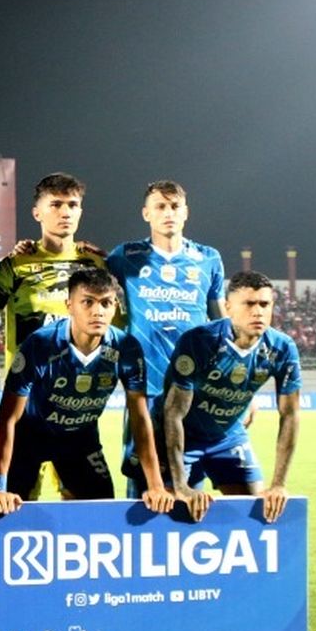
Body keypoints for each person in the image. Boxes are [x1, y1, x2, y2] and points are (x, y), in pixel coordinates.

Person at [0, 268, 173, 514]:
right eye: (87, 302)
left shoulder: (126, 348)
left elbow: (140, 418)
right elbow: (8, 419)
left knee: (102, 511)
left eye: (106, 303)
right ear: (69, 305)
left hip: (80, 439)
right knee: (5, 510)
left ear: (115, 307)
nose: (98, 311)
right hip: (31, 436)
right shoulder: (40, 344)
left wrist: (156, 485)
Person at [105, 180, 227, 497]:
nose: (168, 213)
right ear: (147, 213)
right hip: (144, 388)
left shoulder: (208, 259)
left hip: (194, 390)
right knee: (142, 481)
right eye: (160, 206)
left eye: (174, 206)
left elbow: (223, 324)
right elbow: (86, 274)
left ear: (185, 212)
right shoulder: (126, 256)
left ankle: (184, 541)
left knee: (189, 481)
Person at [160, 271, 300, 523]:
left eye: (264, 304)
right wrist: (180, 485)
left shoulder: (282, 347)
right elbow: (173, 414)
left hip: (228, 436)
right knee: (175, 512)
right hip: (185, 435)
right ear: (228, 308)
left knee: (258, 513)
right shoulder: (199, 341)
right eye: (249, 304)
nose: (258, 312)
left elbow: (290, 414)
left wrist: (278, 484)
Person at [0, 172, 107, 367]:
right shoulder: (15, 266)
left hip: (81, 389)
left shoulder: (98, 265)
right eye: (56, 205)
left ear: (80, 211)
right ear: (36, 213)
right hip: (27, 390)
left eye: (73, 205)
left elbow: (119, 326)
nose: (65, 213)